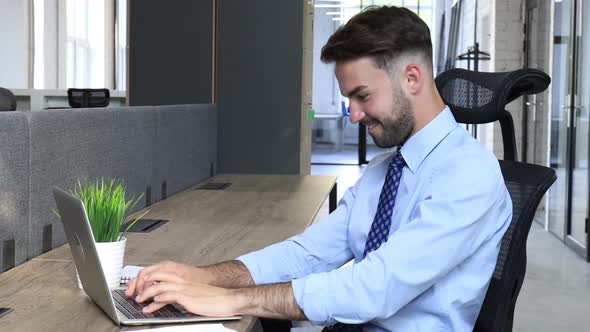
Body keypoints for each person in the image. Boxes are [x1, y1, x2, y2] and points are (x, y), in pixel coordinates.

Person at [126, 6, 512, 331]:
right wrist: (204, 277)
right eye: (349, 99)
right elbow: (307, 253)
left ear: (412, 78)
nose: (354, 115)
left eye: (362, 96)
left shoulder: (469, 175)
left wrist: (231, 300)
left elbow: (373, 288)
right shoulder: (382, 171)